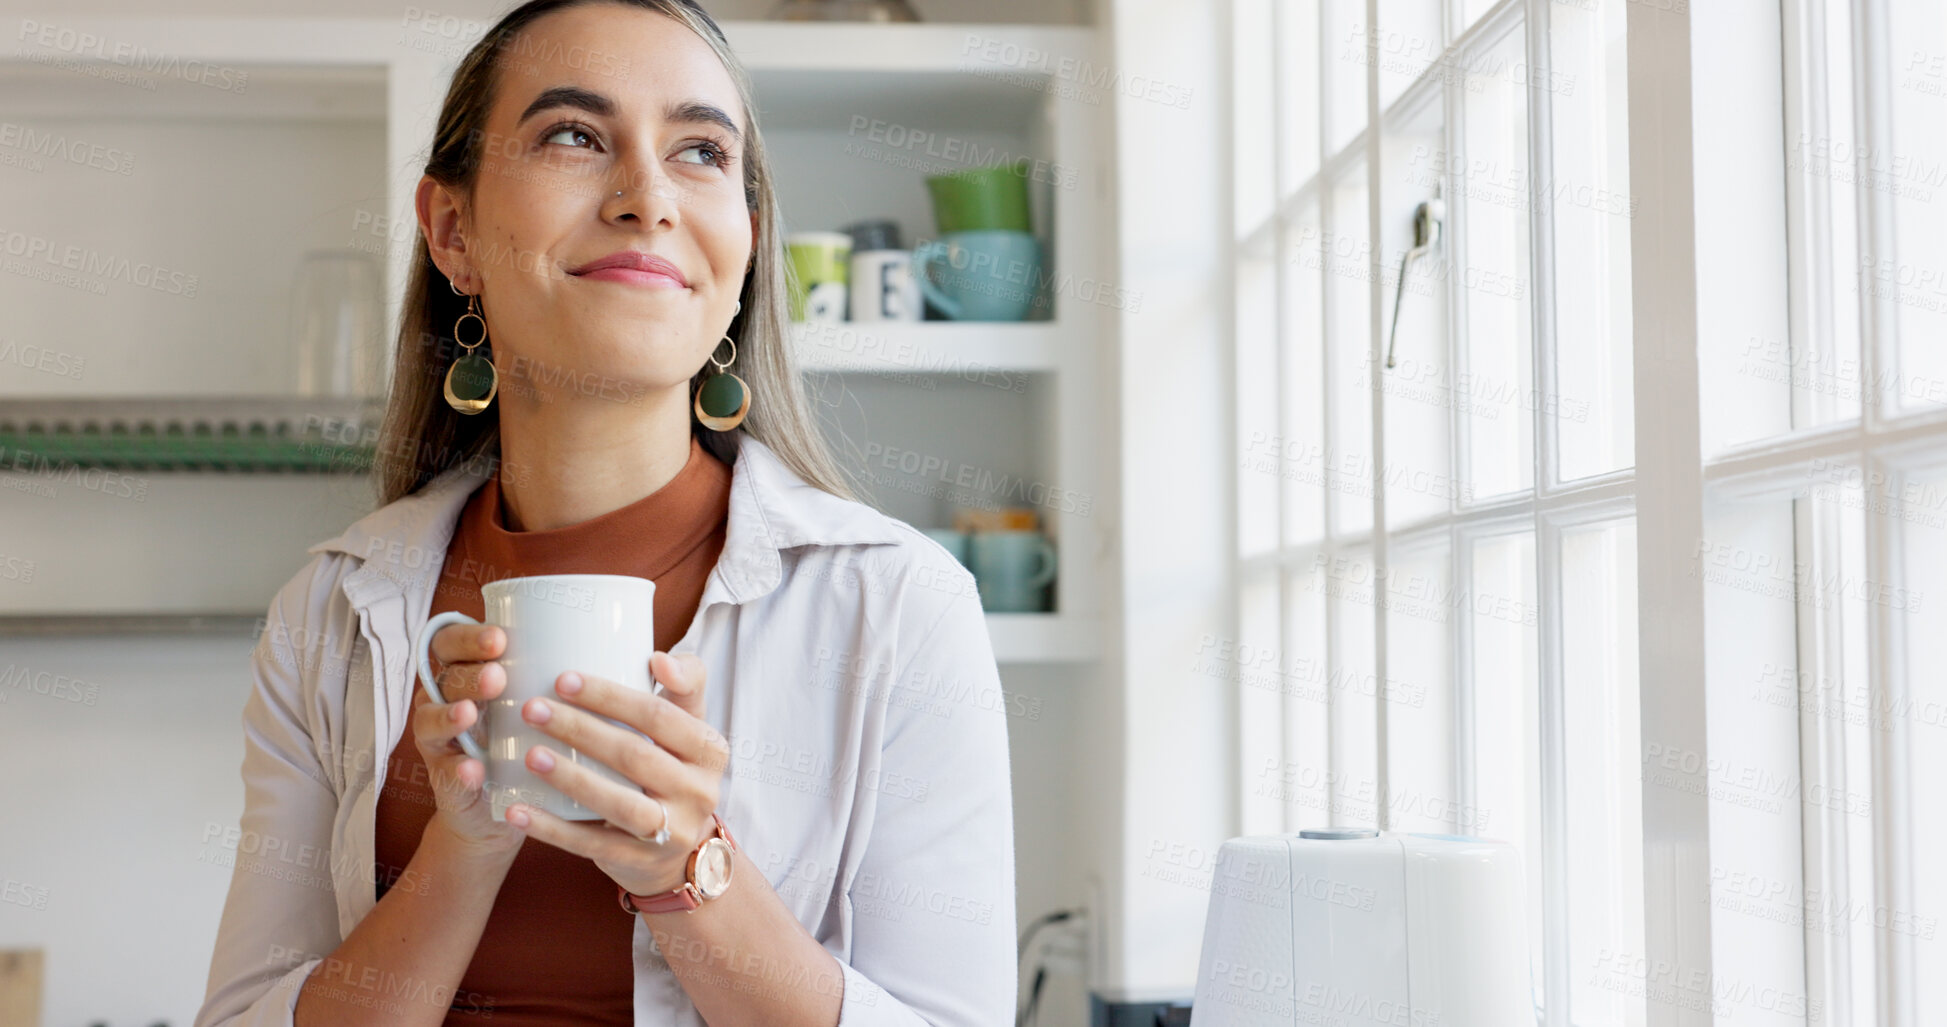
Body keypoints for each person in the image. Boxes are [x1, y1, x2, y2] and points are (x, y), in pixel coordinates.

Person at [193, 2, 1015, 1023]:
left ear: (746, 241)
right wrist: (462, 849)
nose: (648, 196)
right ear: (455, 232)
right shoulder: (328, 615)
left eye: (702, 151)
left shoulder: (903, 607)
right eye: (574, 136)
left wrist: (688, 867)